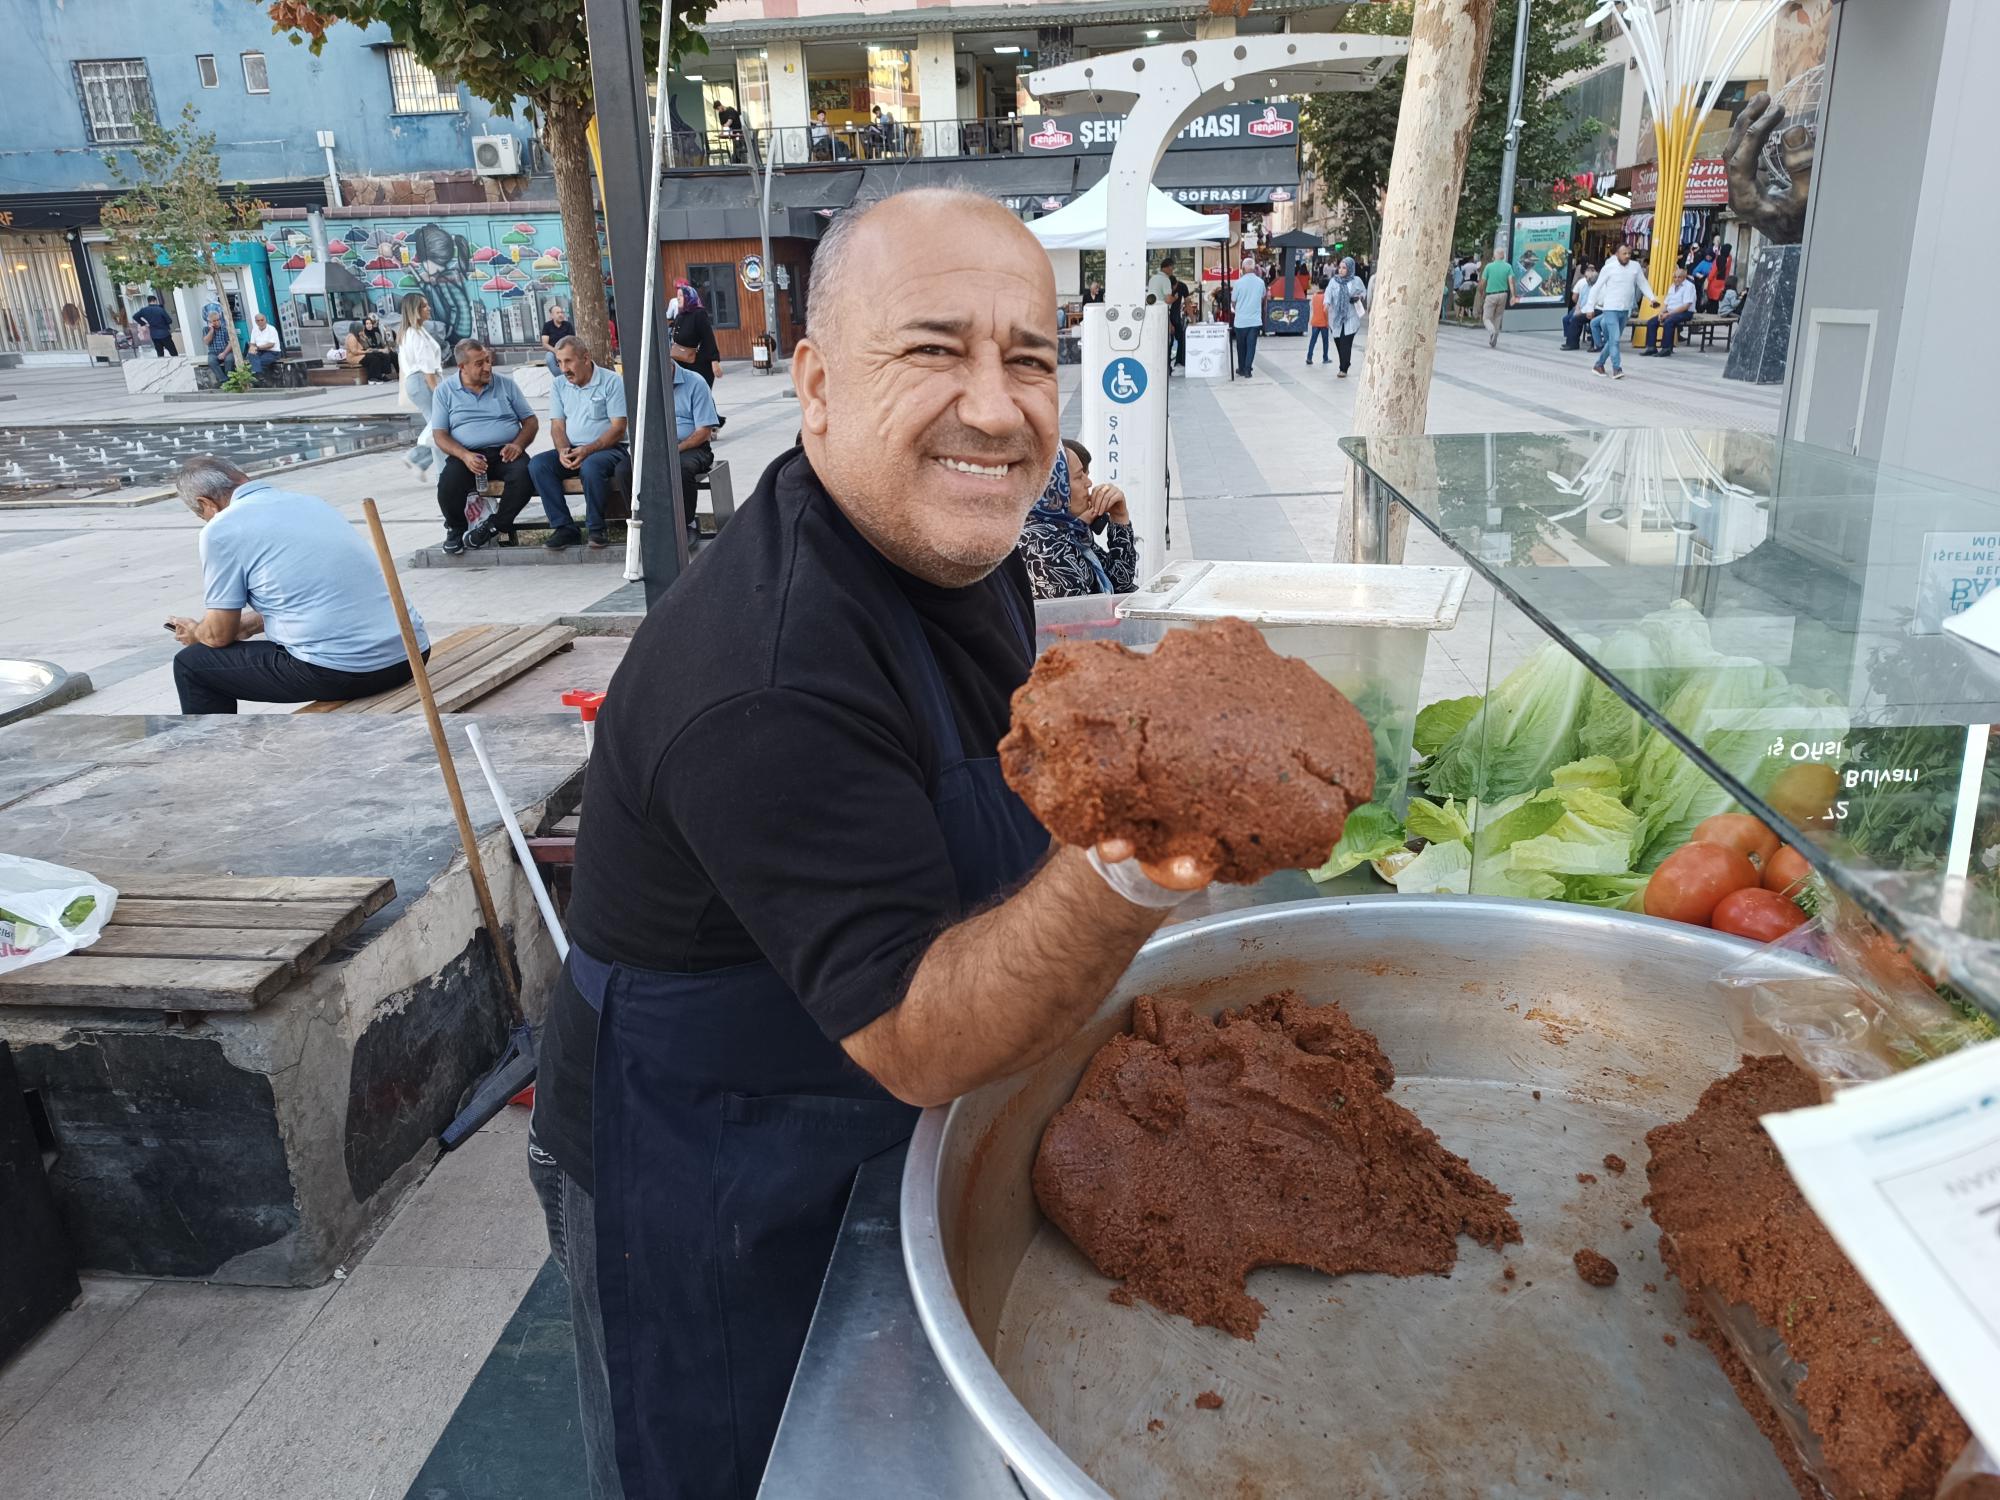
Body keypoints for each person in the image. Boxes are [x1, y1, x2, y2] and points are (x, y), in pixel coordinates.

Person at [527, 186, 1219, 1500]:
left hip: (861, 1112)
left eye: (1029, 358)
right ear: (816, 383)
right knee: (736, 1462)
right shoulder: (769, 681)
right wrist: (1130, 864)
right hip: (704, 1160)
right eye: (934, 349)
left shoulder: (962, 547)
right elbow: (919, 1036)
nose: (999, 407)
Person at [166, 456, 426, 714]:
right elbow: (316, 593)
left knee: (192, 664)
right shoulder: (310, 503)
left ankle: (212, 752)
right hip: (412, 654)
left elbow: (217, 635)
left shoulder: (222, 528)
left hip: (346, 670)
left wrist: (197, 632)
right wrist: (244, 626)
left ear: (205, 503)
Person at [427, 337, 540, 556]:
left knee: (525, 474)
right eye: (479, 363)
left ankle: (495, 524)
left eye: (488, 360)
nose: (488, 367)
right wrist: (464, 455)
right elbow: (439, 435)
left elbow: (531, 421)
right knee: (448, 482)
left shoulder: (505, 384)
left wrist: (517, 444)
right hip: (468, 455)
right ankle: (455, 528)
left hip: (505, 452)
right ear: (462, 367)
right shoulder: (445, 391)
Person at [532, 336, 629, 550]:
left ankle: (596, 528)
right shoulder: (559, 385)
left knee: (592, 466)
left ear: (585, 358)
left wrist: (588, 450)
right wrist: (563, 451)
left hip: (609, 448)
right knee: (538, 465)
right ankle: (564, 528)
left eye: (568, 361)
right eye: (559, 362)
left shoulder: (611, 381)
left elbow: (618, 428)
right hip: (575, 447)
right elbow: (557, 426)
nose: (563, 368)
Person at [1020, 440, 1136, 599]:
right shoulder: (1042, 542)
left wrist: (1119, 517)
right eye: (1079, 476)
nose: (1089, 483)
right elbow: (1078, 618)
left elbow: (1120, 583)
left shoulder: (1068, 531)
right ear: (1053, 485)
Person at [669, 355, 722, 538]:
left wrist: (675, 450)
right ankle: (646, 523)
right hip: (659, 447)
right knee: (626, 468)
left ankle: (687, 523)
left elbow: (703, 432)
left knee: (680, 469)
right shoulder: (645, 386)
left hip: (693, 447)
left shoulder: (695, 382)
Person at [1589, 242, 1656, 380]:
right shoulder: (1609, 268)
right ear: (1617, 254)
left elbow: (1642, 283)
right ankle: (1616, 368)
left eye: (1629, 254)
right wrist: (1590, 307)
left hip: (1625, 309)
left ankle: (1599, 364)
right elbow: (1596, 287)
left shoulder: (1635, 267)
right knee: (1615, 339)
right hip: (1610, 308)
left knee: (1614, 340)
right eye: (1624, 253)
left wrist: (1652, 298)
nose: (1627, 256)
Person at [398, 293, 444, 471]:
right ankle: (436, 469)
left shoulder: (414, 332)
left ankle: (418, 459)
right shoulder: (415, 335)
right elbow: (427, 369)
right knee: (440, 428)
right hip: (423, 382)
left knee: (438, 426)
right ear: (415, 311)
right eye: (424, 306)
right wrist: (439, 393)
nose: (429, 308)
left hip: (418, 382)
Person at [670, 279, 722, 388]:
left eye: (681, 295)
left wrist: (714, 361)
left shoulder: (699, 314)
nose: (678, 298)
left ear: (689, 297)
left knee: (701, 397)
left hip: (699, 365)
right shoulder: (680, 316)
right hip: (682, 364)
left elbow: (708, 338)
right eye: (677, 296)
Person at [1323, 256, 1367, 378]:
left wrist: (1359, 297)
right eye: (1340, 267)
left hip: (1350, 317)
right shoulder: (1334, 281)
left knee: (1345, 343)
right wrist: (1326, 304)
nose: (1341, 270)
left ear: (1350, 269)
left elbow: (1363, 291)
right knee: (1338, 341)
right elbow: (1328, 293)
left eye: (1344, 268)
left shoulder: (1356, 280)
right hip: (1336, 318)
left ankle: (1343, 368)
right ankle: (1346, 362)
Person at [1640, 267, 1698, 357]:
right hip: (1670, 311)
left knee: (1669, 321)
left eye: (1679, 277)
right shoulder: (1672, 286)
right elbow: (1666, 304)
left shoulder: (1689, 286)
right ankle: (1651, 347)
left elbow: (1686, 306)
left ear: (1684, 277)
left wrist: (1668, 314)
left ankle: (1666, 348)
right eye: (1675, 277)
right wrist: (1661, 313)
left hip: (1685, 312)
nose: (1676, 279)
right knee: (1651, 322)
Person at [1231, 257, 1267, 378]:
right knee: (1251, 345)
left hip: (1240, 320)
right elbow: (1263, 298)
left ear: (1243, 269)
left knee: (1241, 346)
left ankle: (1241, 368)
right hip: (1255, 320)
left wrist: (1239, 309)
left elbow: (1233, 301)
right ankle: (1247, 369)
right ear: (1253, 269)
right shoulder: (1261, 282)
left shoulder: (1238, 283)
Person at [1480, 247, 1516, 348]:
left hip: (1491, 295)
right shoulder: (1508, 267)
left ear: (1495, 256)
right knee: (1498, 316)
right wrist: (1513, 296)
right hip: (1503, 294)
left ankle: (1492, 332)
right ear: (1503, 256)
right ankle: (1494, 339)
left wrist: (1481, 292)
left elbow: (1482, 282)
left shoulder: (1489, 267)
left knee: (1486, 318)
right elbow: (1511, 282)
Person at [344, 315, 397, 383]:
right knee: (373, 359)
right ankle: (372, 378)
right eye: (360, 330)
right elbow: (354, 351)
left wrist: (364, 338)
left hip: (359, 354)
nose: (361, 331)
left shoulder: (358, 336)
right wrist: (366, 352)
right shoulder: (351, 338)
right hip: (354, 357)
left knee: (380, 356)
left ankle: (381, 375)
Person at [1562, 265, 1598, 351]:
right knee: (1567, 319)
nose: (1586, 279)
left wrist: (1581, 311)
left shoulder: (1597, 286)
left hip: (1595, 309)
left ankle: (1572, 341)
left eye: (1588, 277)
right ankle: (1570, 340)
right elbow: (1576, 298)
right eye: (1586, 277)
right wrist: (1578, 308)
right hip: (1582, 307)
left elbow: (1593, 303)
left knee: (1575, 319)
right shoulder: (1583, 283)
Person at [540, 303, 575, 378]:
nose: (560, 315)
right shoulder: (547, 326)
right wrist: (555, 351)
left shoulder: (568, 325)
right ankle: (561, 378)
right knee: (549, 357)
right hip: (553, 351)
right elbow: (545, 344)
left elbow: (572, 340)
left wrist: (564, 351)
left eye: (562, 312)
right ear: (552, 315)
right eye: (558, 313)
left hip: (566, 350)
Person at [246, 313, 282, 379]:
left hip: (272, 352)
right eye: (258, 320)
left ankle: (257, 376)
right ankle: (259, 375)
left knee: (260, 361)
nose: (260, 322)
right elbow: (252, 343)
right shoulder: (254, 330)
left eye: (262, 320)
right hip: (260, 351)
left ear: (265, 320)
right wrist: (252, 349)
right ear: (255, 321)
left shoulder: (272, 329)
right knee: (251, 354)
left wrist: (258, 348)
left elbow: (271, 344)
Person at [1306, 276, 1331, 366]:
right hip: (1323, 322)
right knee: (1325, 341)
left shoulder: (1314, 296)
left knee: (1313, 340)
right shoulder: (1326, 297)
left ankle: (1309, 357)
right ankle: (1325, 357)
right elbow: (1325, 310)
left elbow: (1313, 308)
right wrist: (1327, 322)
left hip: (1315, 321)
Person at [1167, 270, 1189, 370]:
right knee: (1169, 342)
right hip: (1168, 318)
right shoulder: (1166, 289)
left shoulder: (1182, 286)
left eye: (1174, 287)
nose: (1172, 289)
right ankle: (1167, 365)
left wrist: (1192, 318)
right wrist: (1169, 324)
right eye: (1171, 287)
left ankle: (1179, 360)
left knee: (1180, 339)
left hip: (1176, 317)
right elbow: (1166, 307)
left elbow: (1188, 302)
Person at [204, 311, 232, 383]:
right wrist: (211, 330)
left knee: (229, 360)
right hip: (213, 352)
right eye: (214, 321)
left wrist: (224, 353)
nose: (217, 322)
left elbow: (231, 343)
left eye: (218, 320)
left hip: (226, 351)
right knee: (211, 361)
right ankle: (224, 381)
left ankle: (230, 380)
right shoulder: (206, 329)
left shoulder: (225, 328)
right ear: (210, 322)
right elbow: (206, 342)